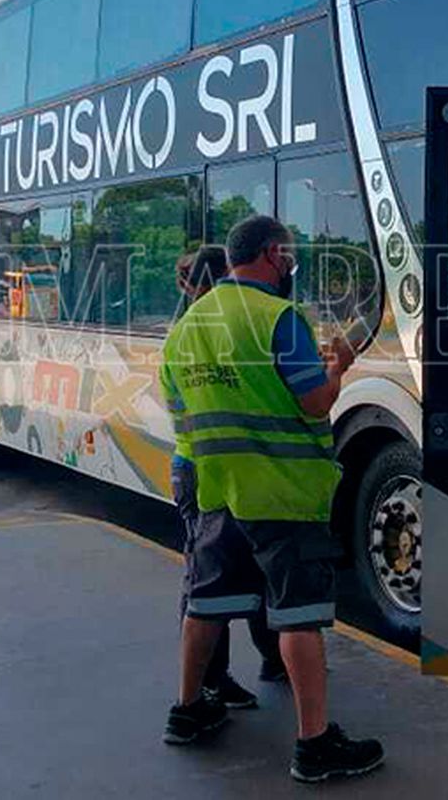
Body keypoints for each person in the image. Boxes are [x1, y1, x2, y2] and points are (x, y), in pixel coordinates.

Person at [160, 216, 384, 783]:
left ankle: (187, 712)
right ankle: (314, 746)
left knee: (205, 603)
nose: (291, 266)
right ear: (271, 254)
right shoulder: (279, 320)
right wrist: (338, 368)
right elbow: (313, 404)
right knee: (297, 616)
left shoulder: (187, 327)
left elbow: (181, 409)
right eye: (287, 255)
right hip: (281, 492)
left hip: (215, 489)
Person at [163, 246, 286, 748]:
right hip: (211, 468)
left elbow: (178, 407)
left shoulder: (184, 332)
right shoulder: (222, 328)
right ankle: (209, 684)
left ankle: (264, 661)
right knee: (210, 576)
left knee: (227, 568)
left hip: (197, 464)